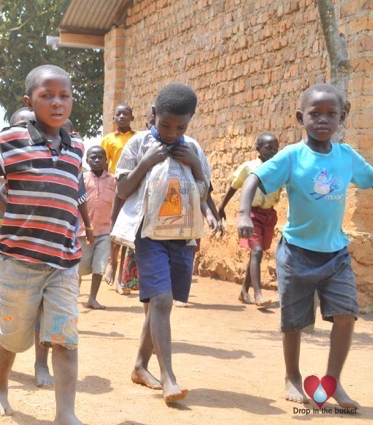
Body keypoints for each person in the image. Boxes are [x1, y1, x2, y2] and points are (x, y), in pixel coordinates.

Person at [0, 64, 90, 424]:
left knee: (65, 337)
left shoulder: (77, 147)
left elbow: (72, 193)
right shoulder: (11, 141)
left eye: (64, 96)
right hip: (19, 260)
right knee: (13, 334)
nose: (57, 102)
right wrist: (3, 203)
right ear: (29, 101)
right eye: (46, 95)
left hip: (64, 262)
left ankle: (65, 412)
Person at [237, 83, 371, 408]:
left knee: (346, 315)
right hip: (296, 253)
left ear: (343, 117)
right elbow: (254, 178)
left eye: (331, 114)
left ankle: (333, 381)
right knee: (294, 321)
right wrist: (243, 212)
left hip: (335, 252)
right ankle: (292, 376)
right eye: (315, 114)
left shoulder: (347, 156)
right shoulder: (293, 156)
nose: (323, 120)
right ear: (301, 117)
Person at [113, 83, 211, 404]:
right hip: (148, 233)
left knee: (161, 304)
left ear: (190, 122)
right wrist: (147, 162)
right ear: (154, 114)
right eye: (165, 125)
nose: (171, 132)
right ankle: (168, 377)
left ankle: (140, 366)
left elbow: (204, 192)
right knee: (163, 301)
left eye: (180, 126)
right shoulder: (139, 144)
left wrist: (195, 165)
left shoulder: (193, 148)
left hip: (181, 237)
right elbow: (123, 189)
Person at [218, 132, 281, 307]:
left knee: (257, 253)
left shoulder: (279, 168)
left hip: (269, 215)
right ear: (258, 149)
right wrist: (221, 207)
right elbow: (234, 186)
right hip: (251, 214)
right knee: (257, 251)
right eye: (268, 148)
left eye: (276, 149)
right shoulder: (250, 167)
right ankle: (258, 294)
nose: (273, 152)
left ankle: (244, 291)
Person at [101, 104, 137, 294]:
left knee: (128, 232)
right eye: (118, 114)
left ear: (132, 117)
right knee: (114, 229)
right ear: (113, 118)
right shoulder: (108, 140)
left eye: (125, 114)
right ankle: (112, 265)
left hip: (133, 188)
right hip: (115, 188)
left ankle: (121, 279)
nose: (121, 116)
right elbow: (104, 166)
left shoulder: (138, 137)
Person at [78, 145, 116, 309]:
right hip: (82, 230)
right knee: (80, 265)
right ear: (87, 160)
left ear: (106, 160)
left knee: (99, 265)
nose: (97, 160)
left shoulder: (113, 180)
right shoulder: (82, 179)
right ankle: (73, 292)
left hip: (104, 230)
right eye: (93, 157)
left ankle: (92, 298)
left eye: (100, 157)